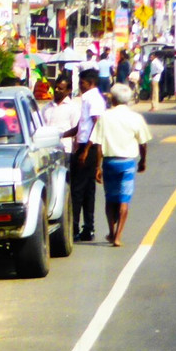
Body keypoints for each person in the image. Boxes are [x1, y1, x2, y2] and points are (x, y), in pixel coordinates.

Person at [94, 82, 152, 246]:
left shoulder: (105, 117)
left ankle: (111, 233)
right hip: (127, 163)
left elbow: (98, 145)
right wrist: (143, 161)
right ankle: (118, 237)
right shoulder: (136, 118)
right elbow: (143, 143)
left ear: (112, 98)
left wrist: (97, 167)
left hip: (109, 162)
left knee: (110, 198)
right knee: (124, 200)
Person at [64, 69, 106, 241]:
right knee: (88, 190)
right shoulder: (87, 98)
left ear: (91, 83)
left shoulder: (94, 98)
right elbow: (82, 126)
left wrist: (86, 150)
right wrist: (62, 135)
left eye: (82, 83)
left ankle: (74, 228)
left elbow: (97, 125)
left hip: (89, 147)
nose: (80, 87)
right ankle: (88, 228)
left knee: (77, 190)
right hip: (83, 145)